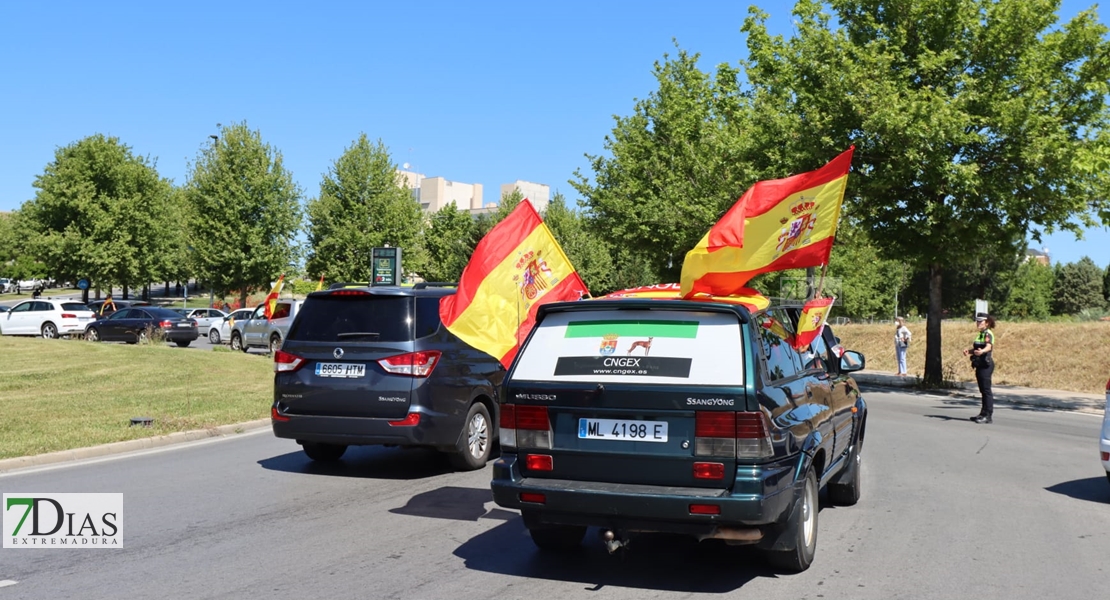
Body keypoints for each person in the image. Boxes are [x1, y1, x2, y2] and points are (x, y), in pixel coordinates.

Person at [963, 313, 996, 424]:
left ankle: (988, 416)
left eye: (981, 321)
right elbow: (978, 347)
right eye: (977, 321)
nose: (978, 323)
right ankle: (982, 413)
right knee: (982, 391)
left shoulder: (988, 333)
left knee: (986, 391)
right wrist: (970, 351)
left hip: (986, 365)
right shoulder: (980, 334)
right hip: (979, 364)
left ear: (987, 323)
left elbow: (988, 346)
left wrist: (982, 351)